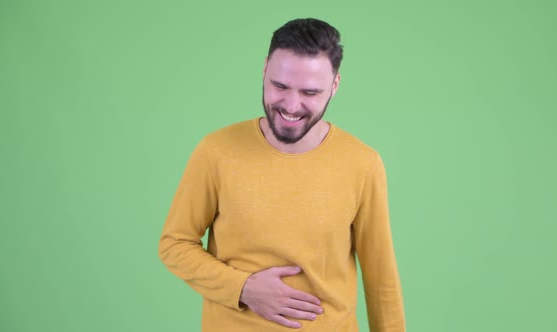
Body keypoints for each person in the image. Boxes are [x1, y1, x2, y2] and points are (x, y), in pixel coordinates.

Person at [158, 18, 405, 331]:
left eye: (310, 92)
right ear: (264, 70)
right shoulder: (216, 151)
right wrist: (243, 287)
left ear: (335, 85)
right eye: (280, 86)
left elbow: (381, 279)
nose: (291, 105)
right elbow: (175, 244)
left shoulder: (362, 163)